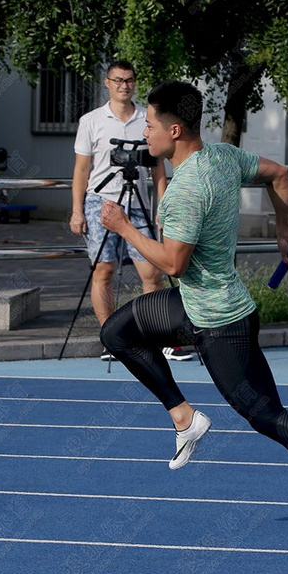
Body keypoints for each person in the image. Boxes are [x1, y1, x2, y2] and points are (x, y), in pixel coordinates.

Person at [99, 80, 288, 546]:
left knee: (266, 417)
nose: (142, 133)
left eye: (148, 125)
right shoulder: (224, 156)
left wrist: (124, 227)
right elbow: (279, 174)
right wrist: (285, 235)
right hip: (194, 304)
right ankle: (185, 417)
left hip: (219, 321)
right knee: (117, 332)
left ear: (173, 129)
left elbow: (171, 263)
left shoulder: (191, 187)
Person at [71, 60, 191, 362]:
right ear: (107, 83)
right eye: (119, 80)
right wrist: (77, 210)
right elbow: (81, 169)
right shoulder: (91, 120)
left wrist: (163, 206)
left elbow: (158, 169)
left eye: (130, 80)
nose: (125, 85)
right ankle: (111, 339)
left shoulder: (146, 118)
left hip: (136, 201)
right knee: (104, 271)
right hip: (101, 200)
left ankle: (156, 336)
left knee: (151, 272)